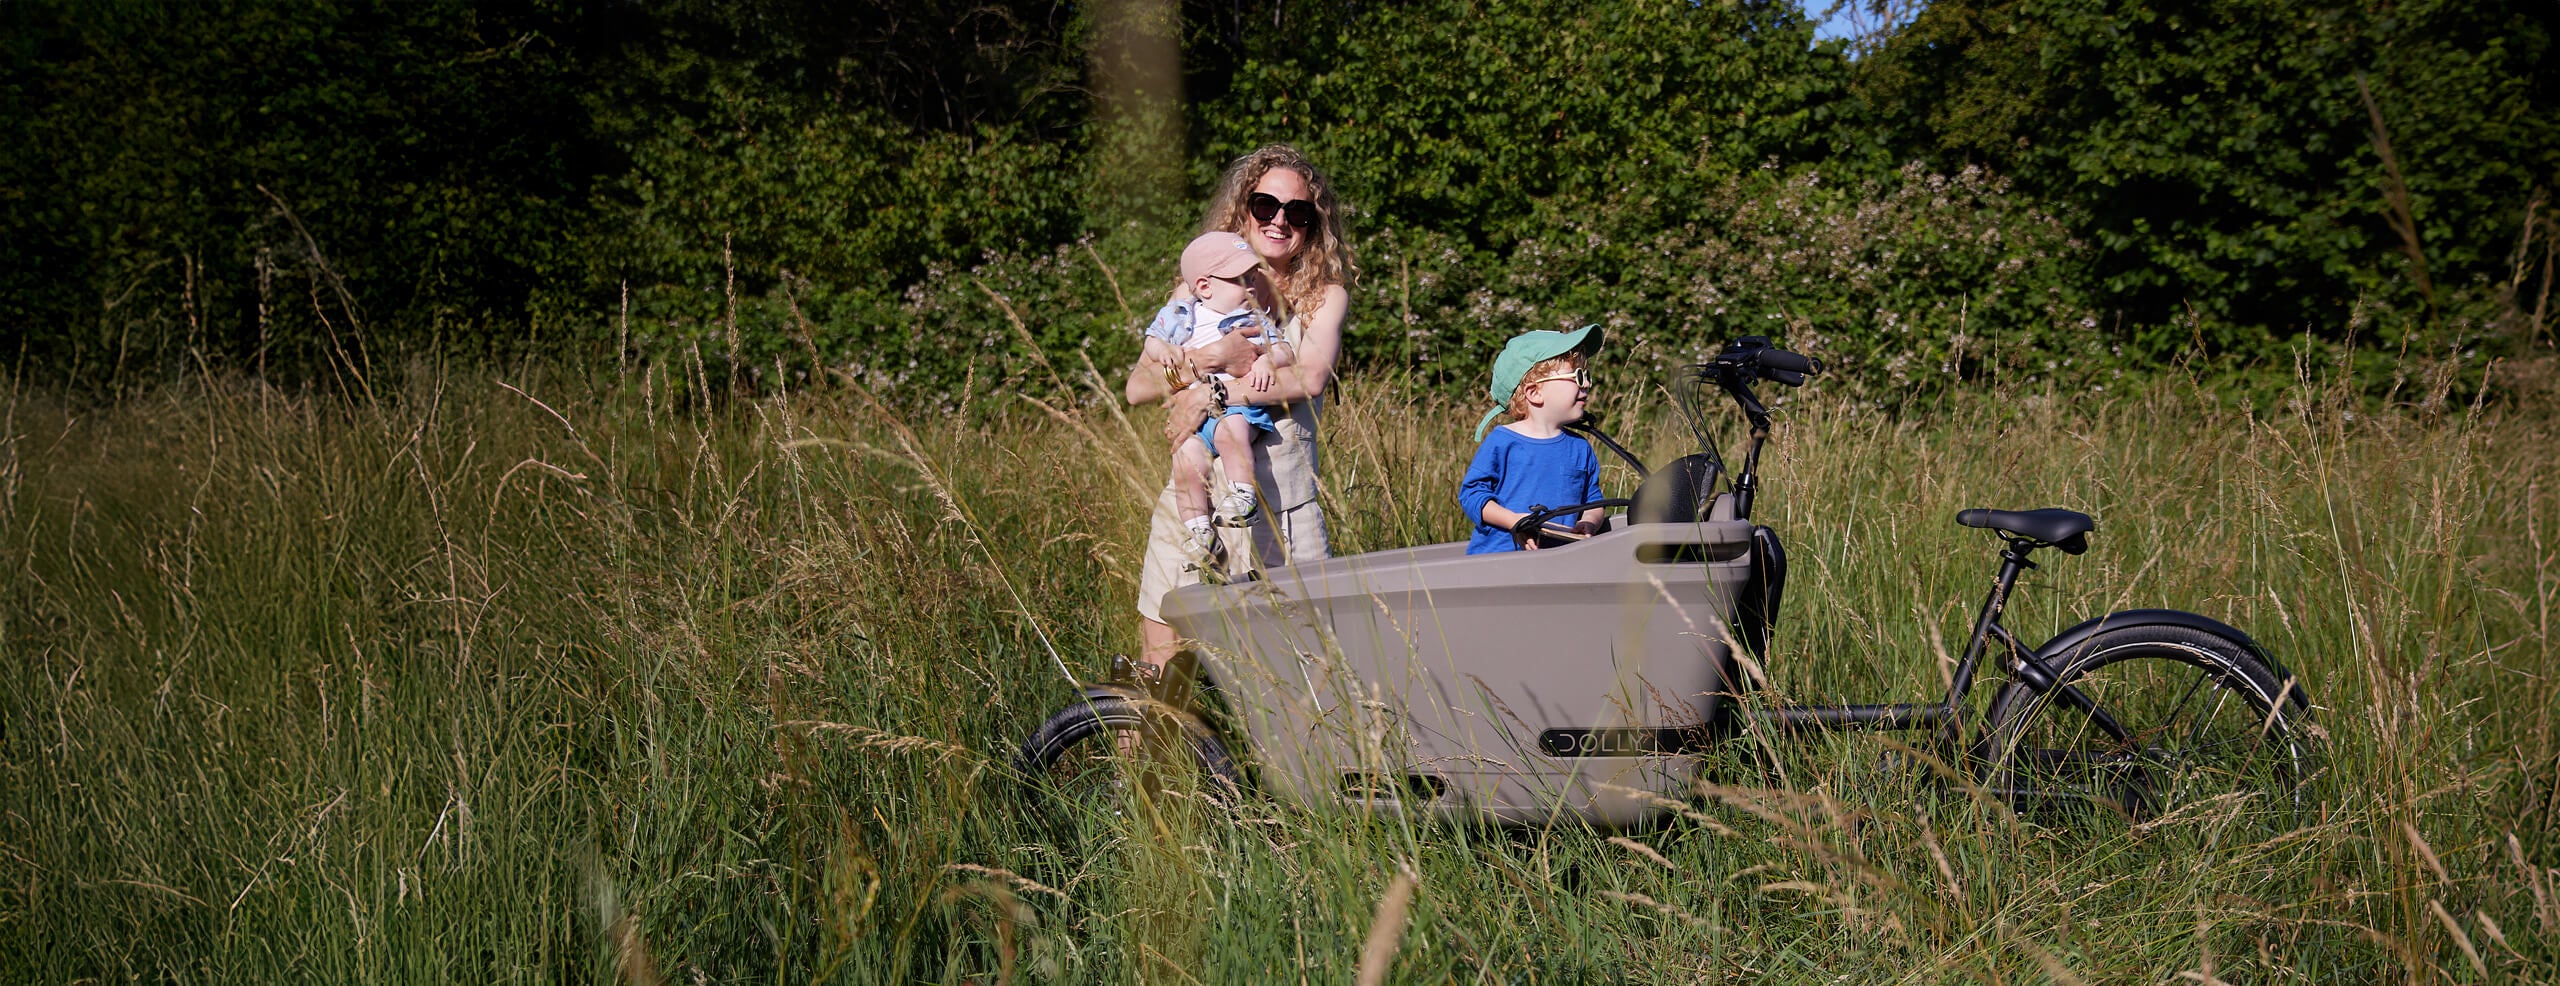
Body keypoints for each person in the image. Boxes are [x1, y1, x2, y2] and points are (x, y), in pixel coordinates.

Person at [1124, 145, 1355, 669]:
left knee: (1308, 669)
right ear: (1243, 209)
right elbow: (1138, 386)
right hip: (1196, 503)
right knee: (1163, 666)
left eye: (1297, 212)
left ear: (1312, 223)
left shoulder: (1323, 295)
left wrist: (1213, 391)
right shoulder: (1196, 290)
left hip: (1284, 516)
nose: (1279, 221)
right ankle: (1143, 754)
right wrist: (1215, 355)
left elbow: (1311, 376)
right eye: (1265, 205)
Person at [1142, 231, 1295, 571]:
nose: (1252, 287)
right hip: (1197, 421)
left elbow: (1284, 348)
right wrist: (1165, 350)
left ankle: (1242, 496)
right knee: (1186, 458)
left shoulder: (1253, 320)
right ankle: (1199, 533)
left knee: (1231, 432)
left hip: (1237, 407)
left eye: (1253, 277)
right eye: (1241, 280)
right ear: (1205, 287)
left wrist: (1269, 361)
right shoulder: (1181, 315)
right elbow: (1152, 342)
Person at [1459, 326, 1607, 554]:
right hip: (1497, 563)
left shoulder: (1580, 448)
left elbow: (1594, 501)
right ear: (1534, 392)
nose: (1586, 384)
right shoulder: (1503, 442)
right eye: (1577, 376)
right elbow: (1471, 495)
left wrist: (1589, 522)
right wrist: (1512, 520)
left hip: (1559, 563)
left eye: (1586, 376)